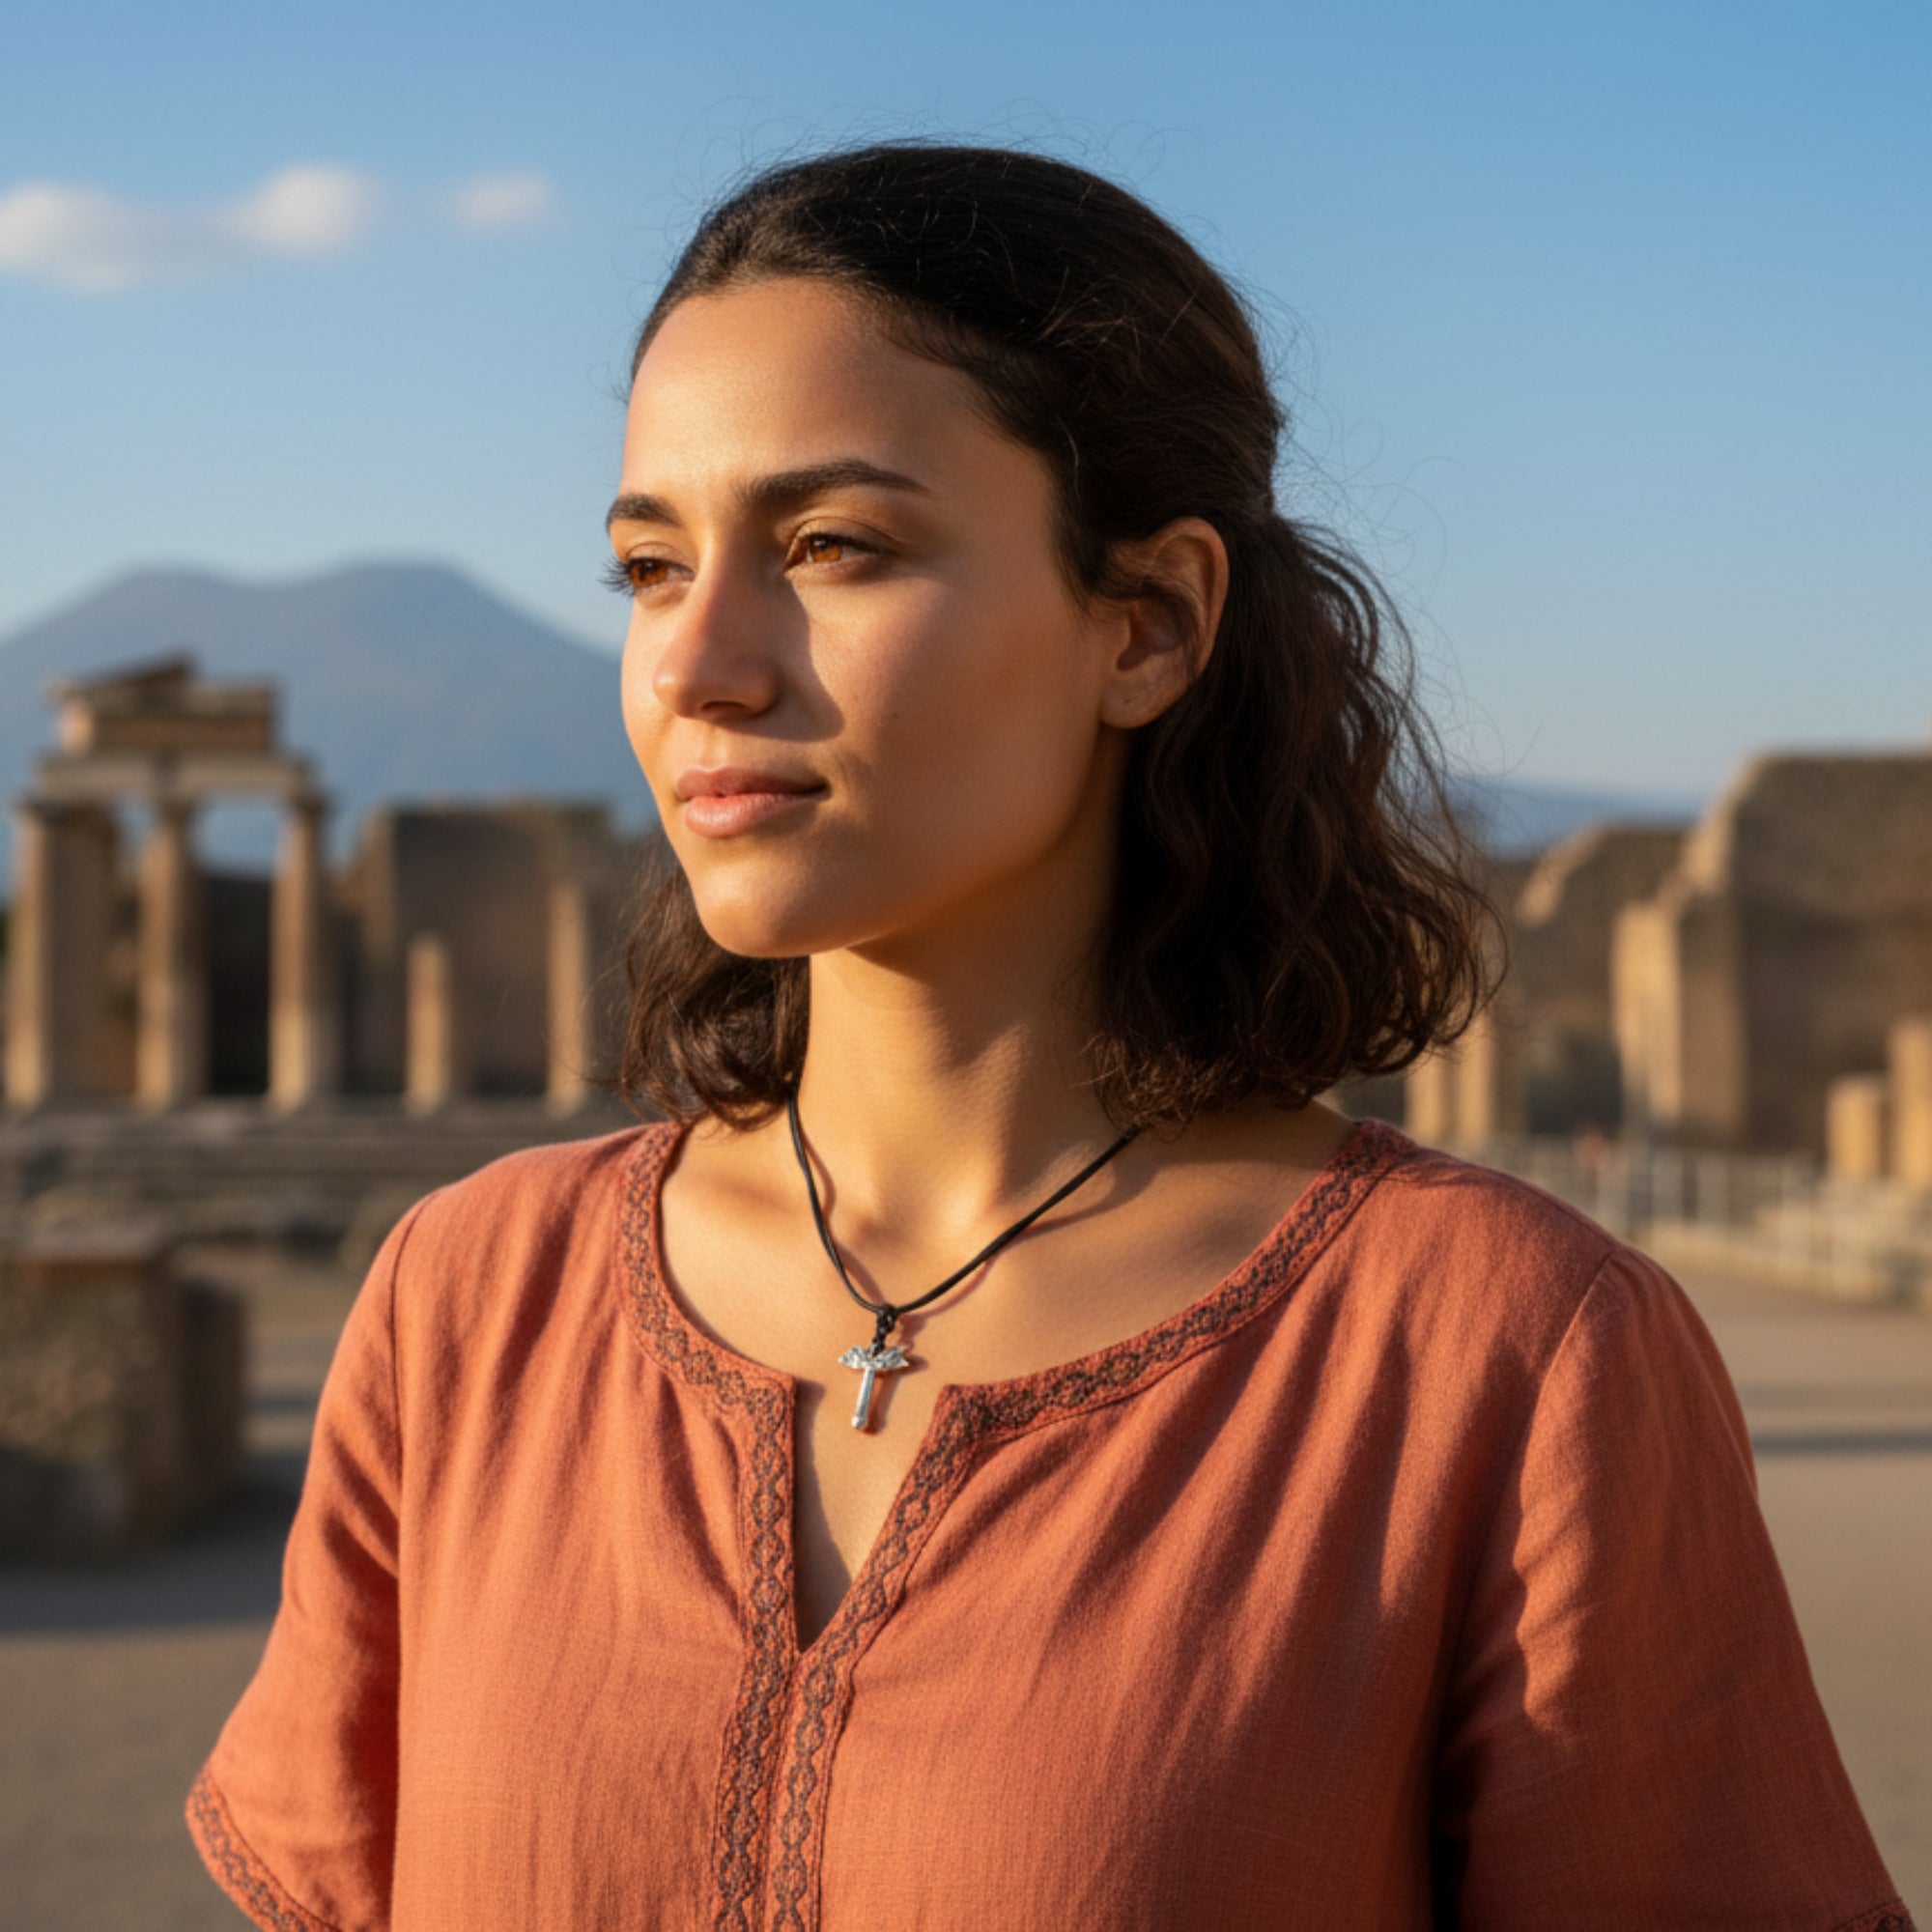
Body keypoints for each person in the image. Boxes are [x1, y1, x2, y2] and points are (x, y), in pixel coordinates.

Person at [185, 143, 1913, 1932]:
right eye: (647, 564)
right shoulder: (467, 1300)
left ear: (1149, 623)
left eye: (832, 547)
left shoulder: (1508, 1362)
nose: (699, 660)